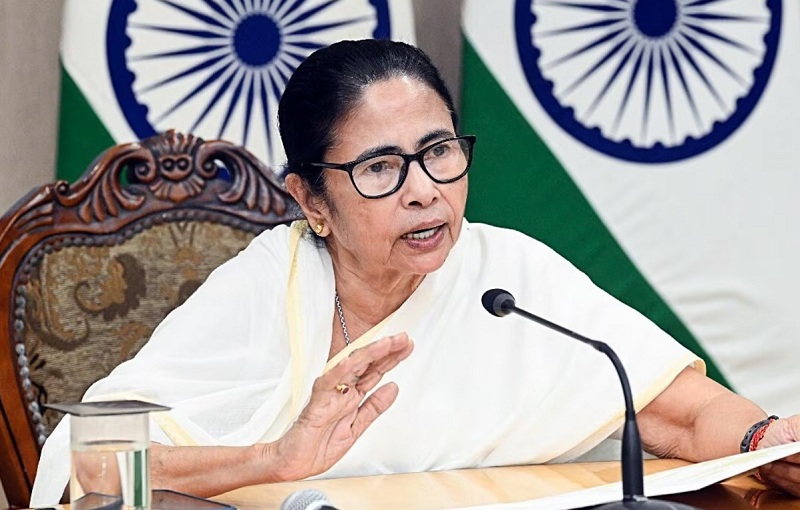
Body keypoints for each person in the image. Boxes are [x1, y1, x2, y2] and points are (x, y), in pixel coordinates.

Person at [31, 39, 800, 504]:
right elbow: (95, 466)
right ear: (311, 200)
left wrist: (769, 441)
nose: (425, 189)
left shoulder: (509, 277)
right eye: (380, 168)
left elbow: (680, 413)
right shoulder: (268, 288)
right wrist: (274, 460)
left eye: (438, 151)